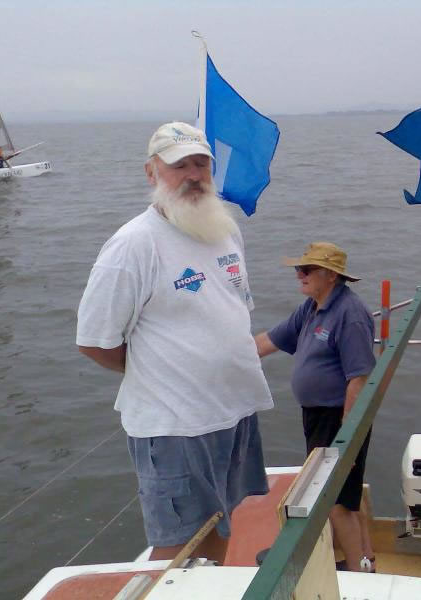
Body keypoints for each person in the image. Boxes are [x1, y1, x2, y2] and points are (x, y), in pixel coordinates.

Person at [76, 122, 273, 563]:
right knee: (176, 549)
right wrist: (160, 371)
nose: (193, 174)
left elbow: (234, 309)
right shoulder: (134, 245)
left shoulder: (225, 230)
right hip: (174, 424)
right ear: (152, 173)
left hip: (233, 410)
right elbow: (94, 341)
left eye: (201, 163)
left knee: (223, 521)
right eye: (179, 165)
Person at [254, 242, 377, 572]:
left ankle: (357, 576)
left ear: (331, 275)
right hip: (317, 417)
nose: (299, 275)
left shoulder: (350, 315)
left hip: (338, 418)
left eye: (307, 269)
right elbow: (266, 342)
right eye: (299, 268)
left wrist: (348, 438)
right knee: (347, 495)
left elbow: (360, 379)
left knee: (333, 500)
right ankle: (366, 560)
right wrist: (223, 357)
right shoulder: (311, 307)